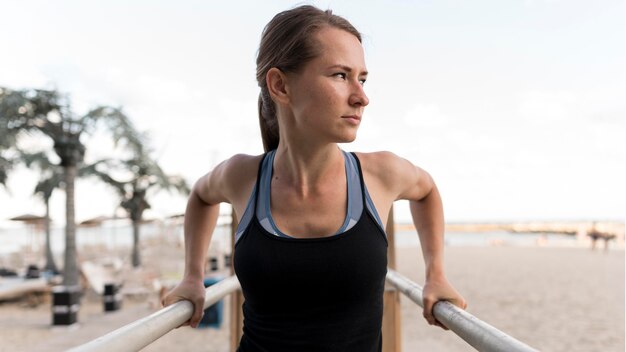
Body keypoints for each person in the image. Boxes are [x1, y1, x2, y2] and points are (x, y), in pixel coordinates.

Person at [163, 5, 467, 351]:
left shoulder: (380, 174)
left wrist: (436, 274)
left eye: (362, 78)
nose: (362, 97)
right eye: (340, 75)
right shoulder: (242, 176)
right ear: (280, 85)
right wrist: (192, 276)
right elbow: (201, 196)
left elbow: (426, 191)